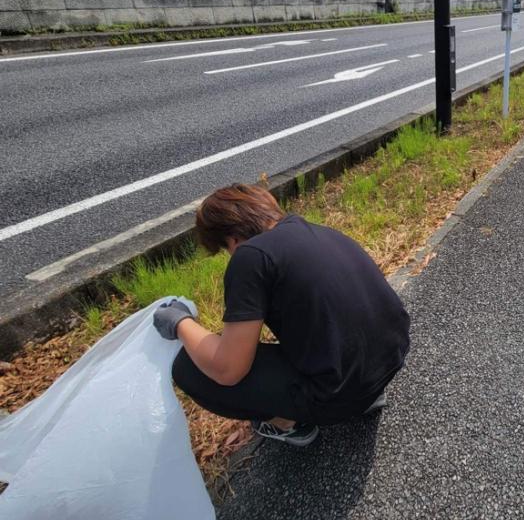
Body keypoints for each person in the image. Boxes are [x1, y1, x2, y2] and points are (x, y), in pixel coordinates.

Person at [153, 183, 410, 447]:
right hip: (388, 362)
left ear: (231, 239)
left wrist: (179, 322)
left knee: (189, 367)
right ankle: (366, 394)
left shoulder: (250, 256)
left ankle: (289, 424)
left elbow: (228, 369)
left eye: (225, 249)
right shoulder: (315, 230)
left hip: (340, 393)